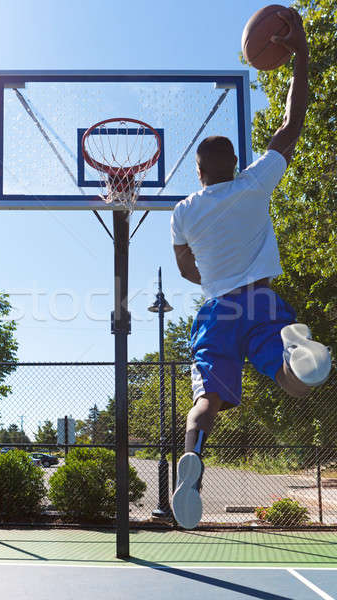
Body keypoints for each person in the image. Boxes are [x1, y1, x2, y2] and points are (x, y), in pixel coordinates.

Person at [170, 8, 332, 530]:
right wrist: (301, 59)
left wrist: (211, 278)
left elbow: (185, 269)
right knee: (296, 386)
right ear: (235, 163)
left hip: (217, 309)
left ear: (199, 172)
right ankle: (296, 345)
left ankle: (191, 458)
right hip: (262, 301)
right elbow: (292, 124)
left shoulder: (184, 211)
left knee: (205, 401)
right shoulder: (254, 183)